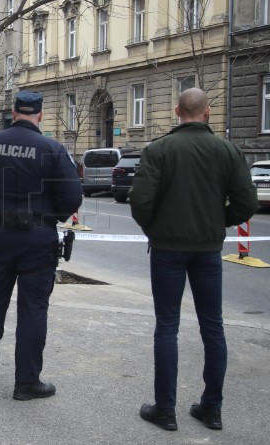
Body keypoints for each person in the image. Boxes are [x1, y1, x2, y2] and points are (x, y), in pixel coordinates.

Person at [129, 87, 258, 431]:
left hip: (167, 249)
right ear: (207, 114)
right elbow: (247, 203)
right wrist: (218, 221)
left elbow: (140, 202)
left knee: (167, 325)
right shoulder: (227, 151)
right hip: (208, 249)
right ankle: (211, 408)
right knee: (212, 326)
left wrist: (156, 228)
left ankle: (165, 409)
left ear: (176, 111)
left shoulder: (158, 150)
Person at [0, 90, 81, 400]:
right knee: (33, 310)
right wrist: (45, 215)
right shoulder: (52, 149)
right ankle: (26, 382)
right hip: (37, 239)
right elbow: (71, 198)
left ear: (13, 112)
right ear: (39, 115)